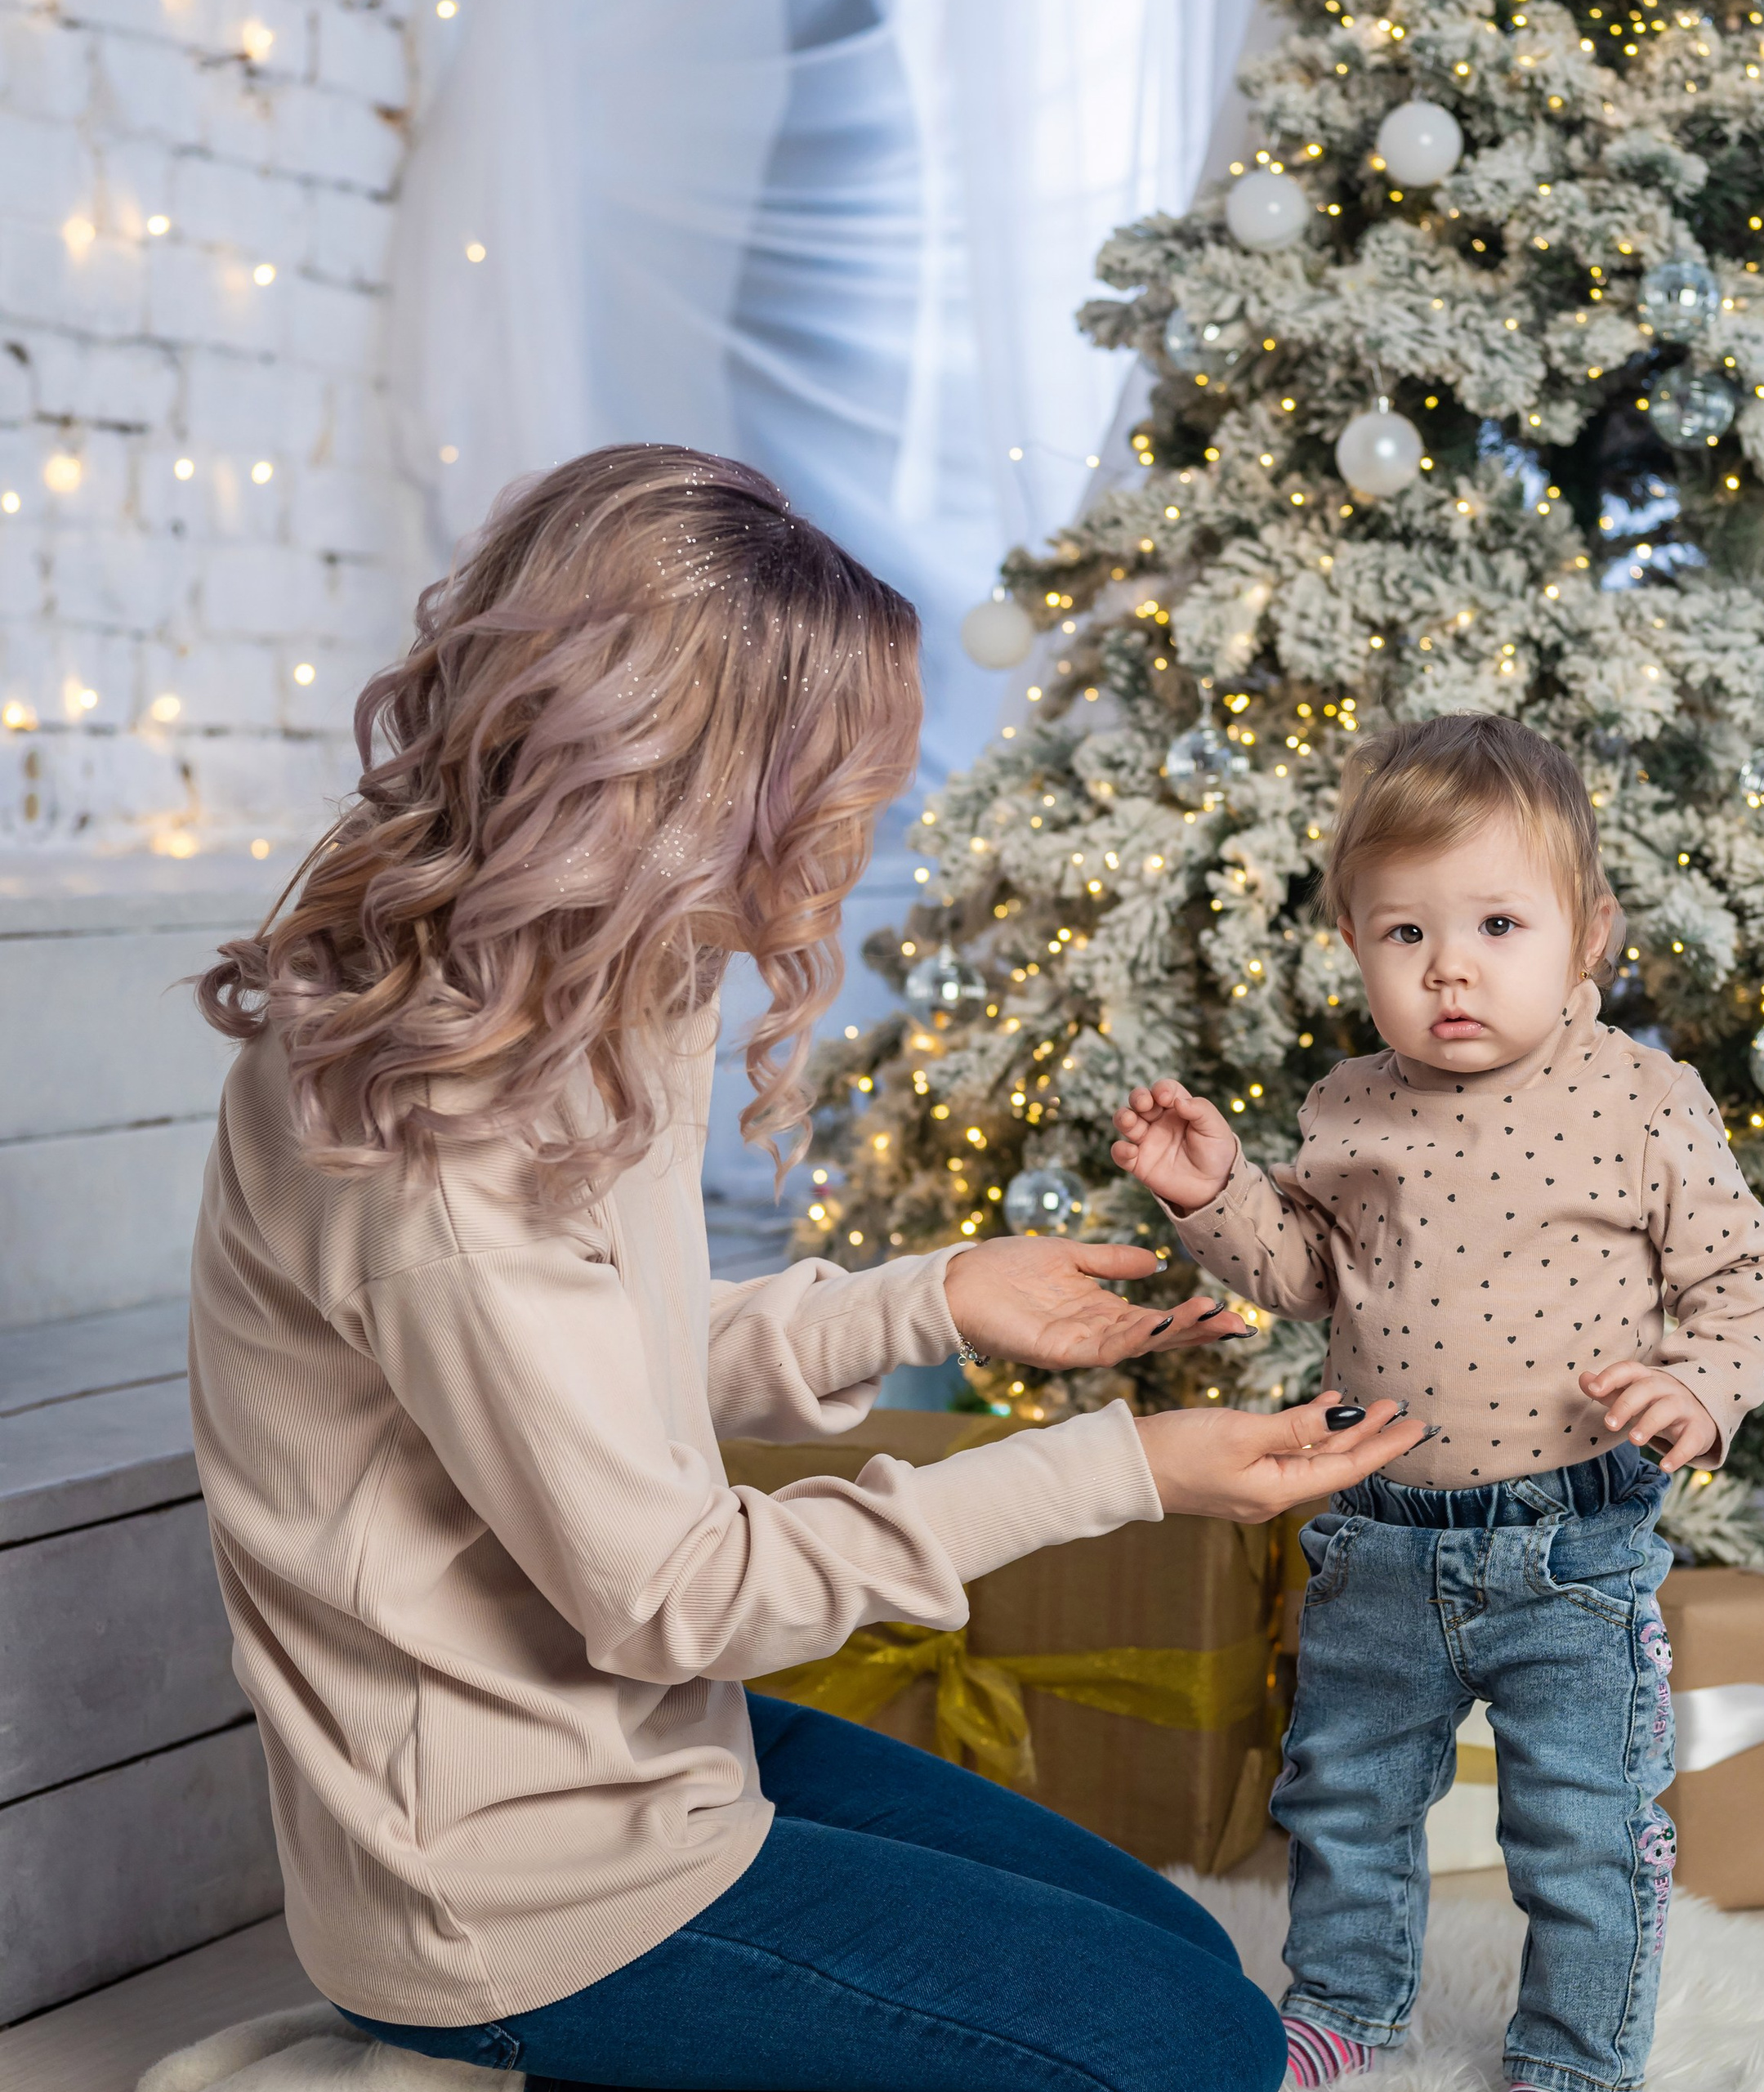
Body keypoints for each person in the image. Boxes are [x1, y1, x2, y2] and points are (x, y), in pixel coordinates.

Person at [186, 446, 1427, 2092]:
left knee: (1188, 1962)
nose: (860, 827)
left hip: (639, 1754)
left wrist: (929, 1299)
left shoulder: (575, 993)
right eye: (833, 785)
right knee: (1191, 2048)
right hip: (511, 1881)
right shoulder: (428, 1138)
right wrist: (1113, 1469)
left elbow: (585, 1369)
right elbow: (673, 1589)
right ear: (679, 776)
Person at [1111, 713, 1764, 2092]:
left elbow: (1742, 1275)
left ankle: (1575, 2051)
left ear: (1587, 934)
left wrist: (1696, 1391)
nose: (1452, 972)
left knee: (1583, 1822)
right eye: (1405, 936)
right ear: (1356, 943)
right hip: (1380, 1530)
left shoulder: (1638, 1098)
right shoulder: (1350, 1104)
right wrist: (1213, 1196)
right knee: (1349, 1798)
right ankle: (1346, 2011)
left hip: (1578, 1545)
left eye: (1497, 923)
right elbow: (1304, 1273)